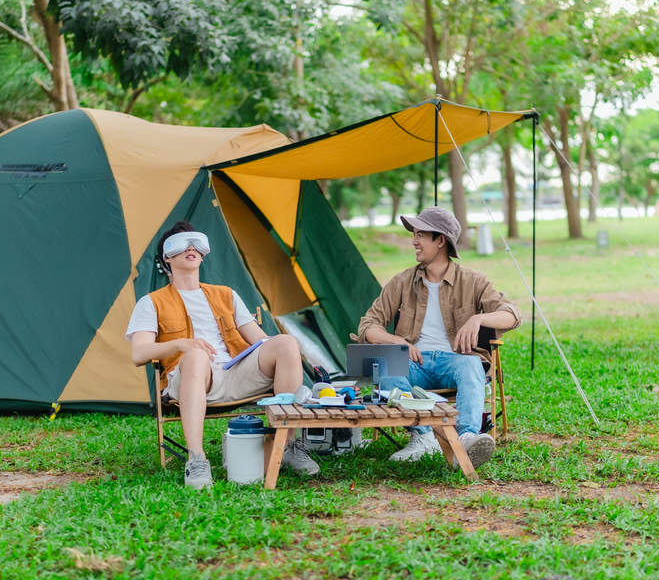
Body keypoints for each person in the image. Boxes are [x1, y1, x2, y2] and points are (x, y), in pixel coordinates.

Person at [128, 222, 319, 489]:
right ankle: (196, 459)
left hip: (236, 371)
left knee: (285, 342)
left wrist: (286, 356)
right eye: (182, 243)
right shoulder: (151, 302)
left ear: (203, 253)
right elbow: (139, 353)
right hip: (193, 378)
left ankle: (286, 445)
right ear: (166, 257)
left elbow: (261, 340)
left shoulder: (226, 294)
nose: (191, 248)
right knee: (196, 355)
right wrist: (181, 344)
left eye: (196, 243)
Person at [357, 207, 521, 467]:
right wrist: (397, 341)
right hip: (414, 363)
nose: (414, 241)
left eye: (420, 235)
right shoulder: (402, 282)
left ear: (440, 241)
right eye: (415, 235)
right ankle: (424, 437)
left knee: (472, 364)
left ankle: (466, 439)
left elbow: (512, 314)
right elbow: (368, 326)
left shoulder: (473, 281)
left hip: (455, 361)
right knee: (385, 366)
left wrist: (478, 319)